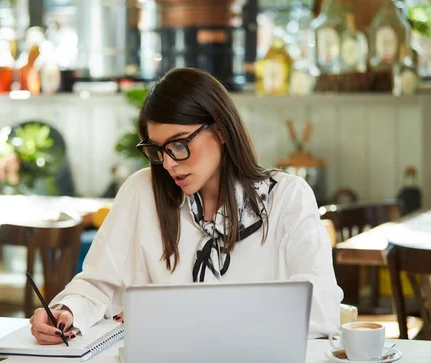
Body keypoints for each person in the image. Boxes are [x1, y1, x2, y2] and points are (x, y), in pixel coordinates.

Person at [29, 67, 343, 344]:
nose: (168, 163)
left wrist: (199, 313)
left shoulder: (287, 198)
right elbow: (98, 284)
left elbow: (321, 310)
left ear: (219, 130)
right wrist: (67, 310)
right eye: (158, 149)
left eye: (179, 144)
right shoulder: (142, 193)